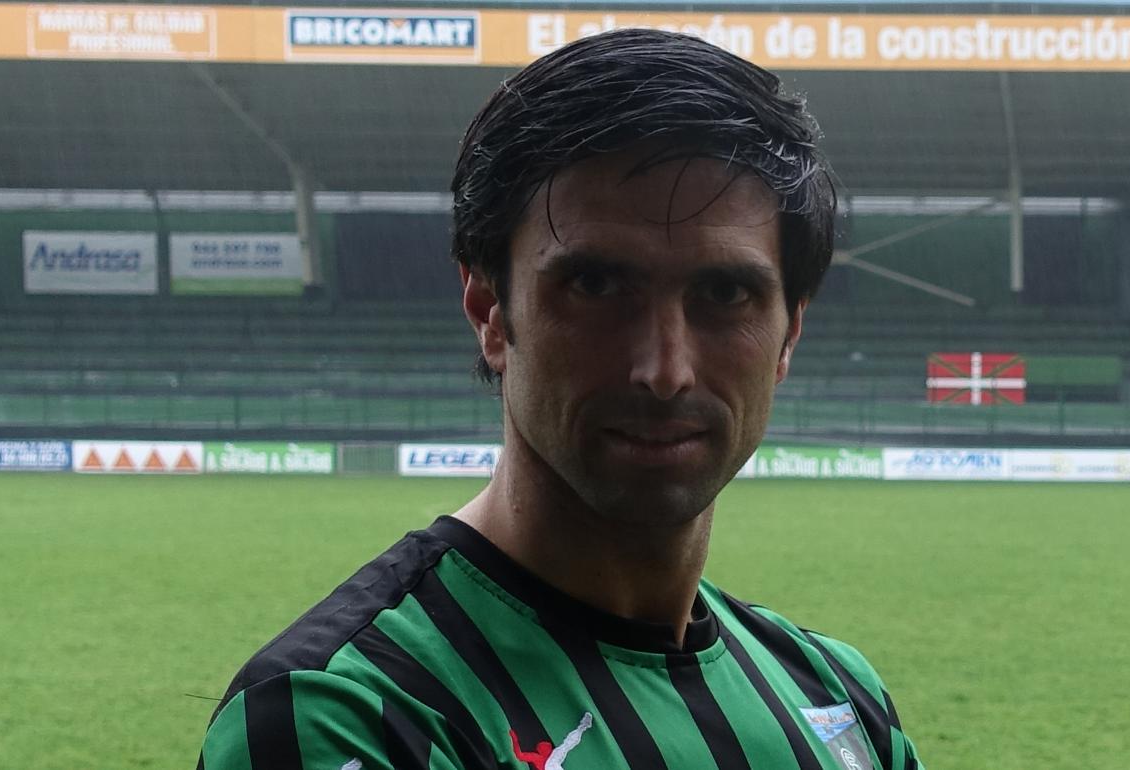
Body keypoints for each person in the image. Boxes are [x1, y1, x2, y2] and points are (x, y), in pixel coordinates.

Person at [198, 28, 923, 770]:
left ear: (789, 332)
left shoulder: (842, 702)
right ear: (489, 309)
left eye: (726, 293)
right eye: (597, 286)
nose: (665, 370)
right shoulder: (347, 715)